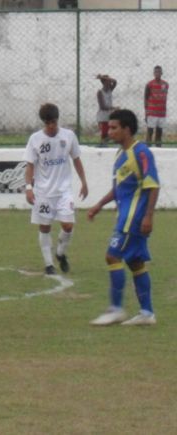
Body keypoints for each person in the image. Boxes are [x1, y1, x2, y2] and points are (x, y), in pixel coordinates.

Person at [89, 109, 160, 326]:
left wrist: (148, 217)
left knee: (112, 256)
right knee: (135, 262)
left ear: (127, 129)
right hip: (126, 216)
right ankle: (147, 313)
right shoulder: (120, 154)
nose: (109, 131)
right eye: (108, 127)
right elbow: (118, 189)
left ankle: (116, 308)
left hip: (134, 218)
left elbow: (153, 185)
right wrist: (99, 204)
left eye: (114, 127)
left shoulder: (141, 152)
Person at [24, 103, 89, 275]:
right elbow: (29, 165)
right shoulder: (35, 139)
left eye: (53, 122)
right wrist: (28, 187)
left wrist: (84, 181)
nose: (51, 126)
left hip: (63, 191)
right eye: (48, 123)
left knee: (68, 225)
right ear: (43, 123)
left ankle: (60, 253)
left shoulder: (68, 136)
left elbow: (76, 159)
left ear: (57, 120)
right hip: (43, 193)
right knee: (45, 227)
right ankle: (49, 264)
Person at [144, 65, 169, 147]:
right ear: (153, 73)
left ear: (161, 73)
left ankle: (158, 149)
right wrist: (146, 112)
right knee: (150, 132)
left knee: (159, 132)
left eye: (159, 72)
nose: (157, 73)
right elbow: (146, 98)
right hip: (152, 112)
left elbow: (164, 97)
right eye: (156, 72)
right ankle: (148, 148)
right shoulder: (149, 84)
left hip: (161, 113)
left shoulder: (165, 84)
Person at [96, 74, 118, 147]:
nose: (110, 83)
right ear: (104, 82)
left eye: (110, 81)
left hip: (109, 115)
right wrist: (113, 108)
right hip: (102, 116)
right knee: (104, 133)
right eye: (108, 81)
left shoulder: (109, 90)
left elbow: (115, 82)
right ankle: (102, 146)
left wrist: (103, 77)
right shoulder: (100, 92)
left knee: (109, 133)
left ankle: (102, 145)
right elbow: (102, 106)